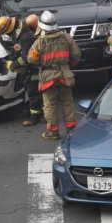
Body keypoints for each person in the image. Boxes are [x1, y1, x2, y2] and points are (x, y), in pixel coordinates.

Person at [28, 9, 80, 140]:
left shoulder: (40, 41)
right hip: (65, 75)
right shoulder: (66, 37)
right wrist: (69, 65)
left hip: (48, 77)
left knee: (50, 105)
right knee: (67, 102)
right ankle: (71, 128)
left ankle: (53, 131)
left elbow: (31, 59)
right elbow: (76, 54)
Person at [0, 14, 42, 126]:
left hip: (33, 68)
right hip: (28, 68)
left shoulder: (25, 36)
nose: (6, 35)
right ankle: (33, 109)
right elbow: (18, 48)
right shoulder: (19, 30)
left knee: (32, 91)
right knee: (28, 89)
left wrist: (13, 64)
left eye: (6, 32)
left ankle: (35, 117)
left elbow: (26, 58)